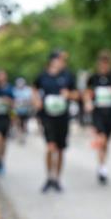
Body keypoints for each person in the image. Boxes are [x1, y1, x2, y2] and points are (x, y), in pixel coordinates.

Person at [34, 51, 78, 192]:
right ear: (53, 61)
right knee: (50, 146)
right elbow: (34, 89)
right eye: (60, 60)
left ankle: (57, 179)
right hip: (47, 116)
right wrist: (36, 101)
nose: (62, 63)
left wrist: (69, 94)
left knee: (60, 149)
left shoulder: (68, 76)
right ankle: (49, 177)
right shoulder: (43, 76)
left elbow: (77, 94)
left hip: (62, 116)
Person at [84, 50, 111, 184]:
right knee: (101, 139)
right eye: (102, 64)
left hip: (110, 112)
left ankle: (102, 165)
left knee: (106, 141)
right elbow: (87, 93)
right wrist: (88, 103)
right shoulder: (93, 78)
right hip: (98, 113)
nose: (104, 66)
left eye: (106, 64)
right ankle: (102, 168)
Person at [13, 77, 34, 143]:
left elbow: (30, 99)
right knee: (17, 122)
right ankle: (19, 134)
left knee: (24, 123)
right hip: (16, 110)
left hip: (25, 110)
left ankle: (23, 134)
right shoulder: (14, 90)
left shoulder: (27, 90)